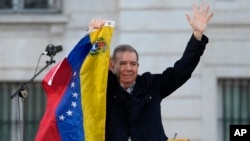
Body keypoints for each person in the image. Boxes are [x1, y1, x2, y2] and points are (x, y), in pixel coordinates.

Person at [89, 4, 213, 141]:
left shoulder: (151, 85)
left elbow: (182, 71)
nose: (129, 68)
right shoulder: (104, 88)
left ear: (138, 66)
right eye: (123, 64)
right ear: (112, 65)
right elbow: (91, 68)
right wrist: (95, 36)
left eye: (133, 64)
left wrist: (197, 36)